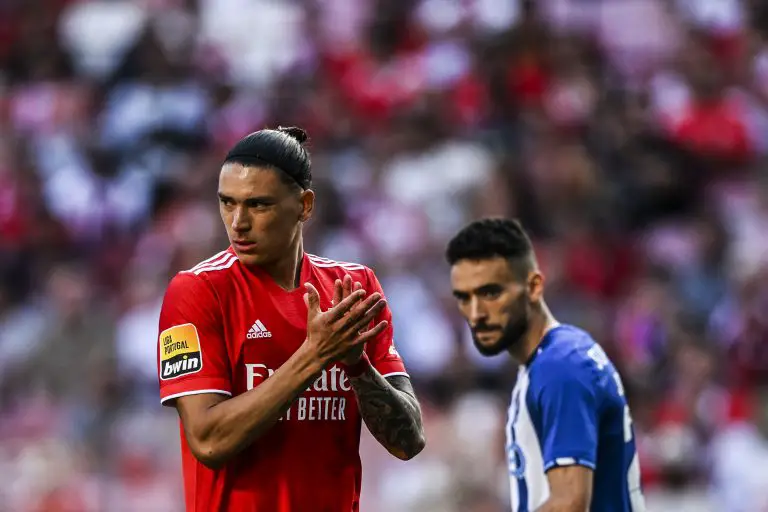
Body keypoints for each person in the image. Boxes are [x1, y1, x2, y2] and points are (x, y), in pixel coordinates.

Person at [157, 126, 425, 512]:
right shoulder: (198, 291)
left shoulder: (353, 288)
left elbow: (409, 440)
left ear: (304, 205)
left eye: (258, 205)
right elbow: (209, 441)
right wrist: (315, 356)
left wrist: (356, 365)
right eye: (227, 203)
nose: (238, 223)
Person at [445, 218, 646, 512]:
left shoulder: (560, 367)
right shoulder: (550, 361)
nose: (476, 314)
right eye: (464, 298)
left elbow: (570, 503)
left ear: (534, 286)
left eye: (491, 293)